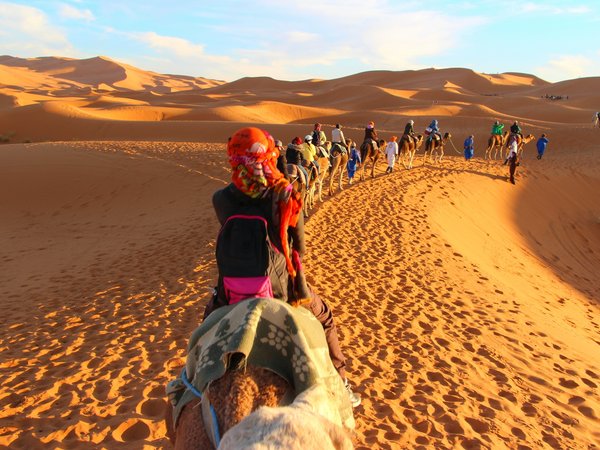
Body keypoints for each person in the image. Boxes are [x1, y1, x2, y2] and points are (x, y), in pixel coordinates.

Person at [206, 127, 360, 407]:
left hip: (230, 291)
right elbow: (299, 248)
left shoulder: (221, 199)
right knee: (325, 318)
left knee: (205, 330)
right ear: (268, 154)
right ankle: (342, 384)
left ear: (233, 156)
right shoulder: (284, 193)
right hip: (282, 289)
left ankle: (187, 386)